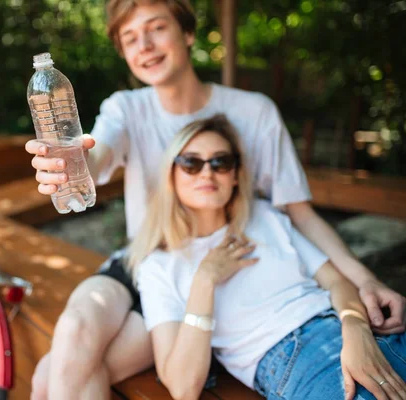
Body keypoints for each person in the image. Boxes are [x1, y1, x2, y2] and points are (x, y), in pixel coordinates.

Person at [25, 0, 406, 398]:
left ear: (188, 34)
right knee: (73, 331)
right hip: (149, 258)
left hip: (210, 275)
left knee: (52, 375)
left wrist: (366, 282)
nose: (146, 46)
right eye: (130, 38)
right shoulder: (127, 108)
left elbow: (300, 214)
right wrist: (70, 163)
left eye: (156, 28)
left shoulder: (253, 112)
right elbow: (96, 155)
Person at [130, 114, 406, 400]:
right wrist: (205, 279)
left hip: (364, 332)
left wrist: (354, 327)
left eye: (220, 162)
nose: (207, 173)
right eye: (191, 162)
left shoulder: (264, 216)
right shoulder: (158, 267)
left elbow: (335, 281)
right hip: (300, 361)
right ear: (171, 174)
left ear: (236, 174)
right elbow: (182, 388)